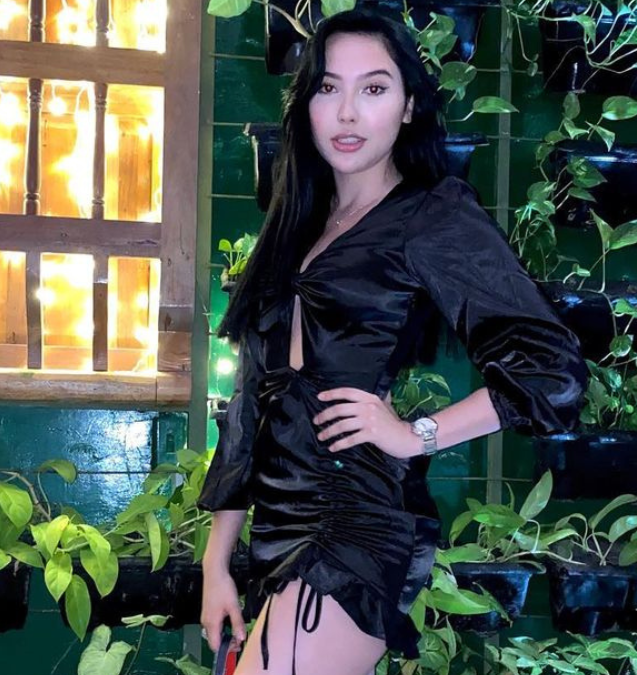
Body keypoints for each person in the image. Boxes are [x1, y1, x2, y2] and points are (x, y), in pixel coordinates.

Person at [198, 8, 588, 675]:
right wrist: (216, 560)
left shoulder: (432, 214)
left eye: (374, 88)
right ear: (306, 104)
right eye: (328, 87)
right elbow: (247, 408)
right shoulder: (294, 224)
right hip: (277, 528)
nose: (348, 112)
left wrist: (416, 434)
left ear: (408, 106)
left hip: (354, 518)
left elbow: (551, 370)